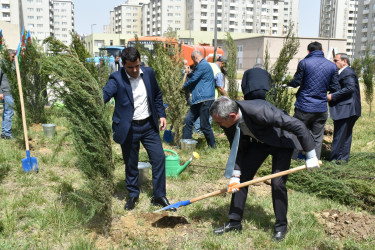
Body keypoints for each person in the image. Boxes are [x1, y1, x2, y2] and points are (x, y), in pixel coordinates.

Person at [210, 96, 319, 241]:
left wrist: (311, 155)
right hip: (260, 142)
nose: (218, 125)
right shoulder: (227, 122)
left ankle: (281, 227)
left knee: (277, 183)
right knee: (241, 179)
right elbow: (237, 147)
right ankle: (234, 222)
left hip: (282, 141)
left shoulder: (261, 111)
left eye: (219, 122)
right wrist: (235, 175)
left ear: (232, 116)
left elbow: (298, 125)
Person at [103, 47, 175, 211]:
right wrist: (93, 99)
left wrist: (162, 115)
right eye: (130, 67)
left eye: (137, 66)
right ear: (123, 64)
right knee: (131, 163)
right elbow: (105, 94)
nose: (135, 70)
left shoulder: (148, 73)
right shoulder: (116, 78)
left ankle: (159, 195)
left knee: (159, 159)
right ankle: (133, 194)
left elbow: (157, 94)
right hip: (129, 128)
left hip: (149, 125)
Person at [288, 41, 340, 159]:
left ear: (308, 51)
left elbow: (296, 82)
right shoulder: (332, 66)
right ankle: (313, 163)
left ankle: (293, 161)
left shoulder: (304, 63)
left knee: (297, 134)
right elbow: (335, 87)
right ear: (322, 51)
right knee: (317, 138)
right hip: (321, 108)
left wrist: (288, 82)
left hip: (303, 107)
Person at [327, 53, 361, 163]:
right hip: (350, 109)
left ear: (344, 61)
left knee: (340, 135)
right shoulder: (344, 72)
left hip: (347, 109)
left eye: (336, 60)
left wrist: (332, 96)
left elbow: (350, 88)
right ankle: (342, 160)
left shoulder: (347, 72)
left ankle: (335, 160)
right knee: (345, 135)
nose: (334, 62)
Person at [182, 50, 216, 148]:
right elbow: (197, 78)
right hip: (198, 100)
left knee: (204, 125)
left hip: (204, 99)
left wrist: (183, 87)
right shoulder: (202, 66)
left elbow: (193, 80)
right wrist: (189, 73)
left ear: (195, 57)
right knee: (187, 121)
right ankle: (186, 145)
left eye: (193, 60)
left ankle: (212, 146)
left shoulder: (203, 65)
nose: (194, 62)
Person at [0, 50, 16, 140]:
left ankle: (4, 133)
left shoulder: (12, 64)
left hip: (11, 91)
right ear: (8, 56)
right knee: (9, 113)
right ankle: (7, 133)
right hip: (6, 92)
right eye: (13, 56)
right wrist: (0, 92)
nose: (14, 58)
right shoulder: (2, 64)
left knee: (6, 113)